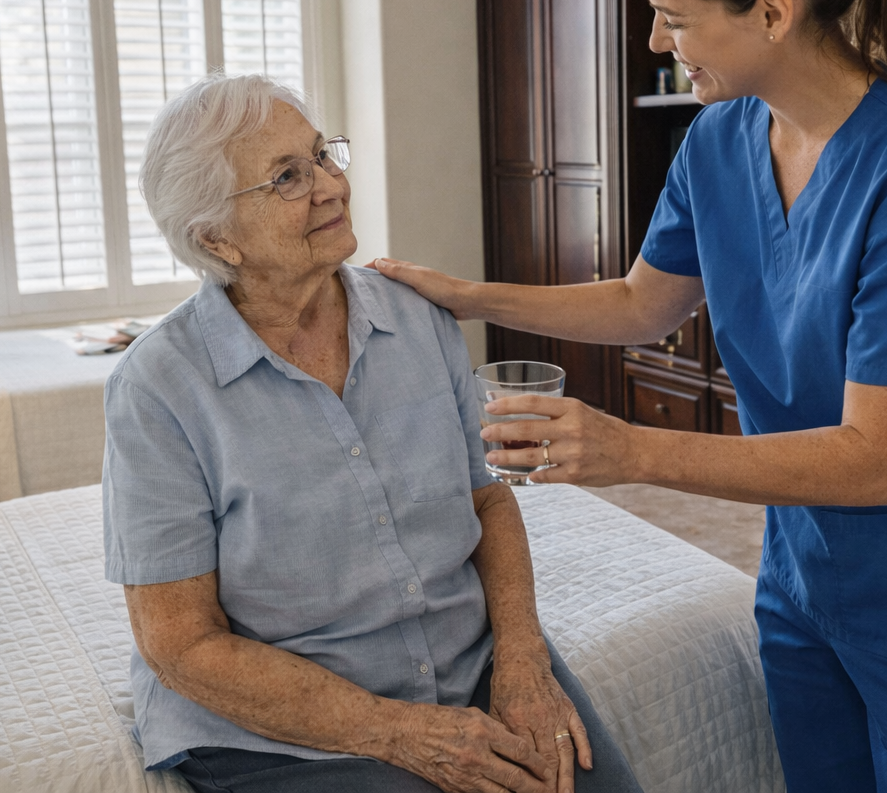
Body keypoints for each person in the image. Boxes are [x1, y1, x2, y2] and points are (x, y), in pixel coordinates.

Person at [377, 0, 887, 793]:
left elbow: (877, 457)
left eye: (673, 19)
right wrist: (466, 296)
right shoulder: (718, 141)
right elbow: (641, 304)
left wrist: (632, 451)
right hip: (807, 578)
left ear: (773, 12)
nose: (658, 44)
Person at [101, 73, 644, 793]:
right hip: (288, 732)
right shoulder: (157, 387)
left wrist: (522, 659)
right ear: (216, 240)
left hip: (470, 662)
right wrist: (401, 732)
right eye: (287, 178)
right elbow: (181, 644)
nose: (330, 185)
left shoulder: (416, 319)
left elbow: (487, 501)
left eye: (322, 156)